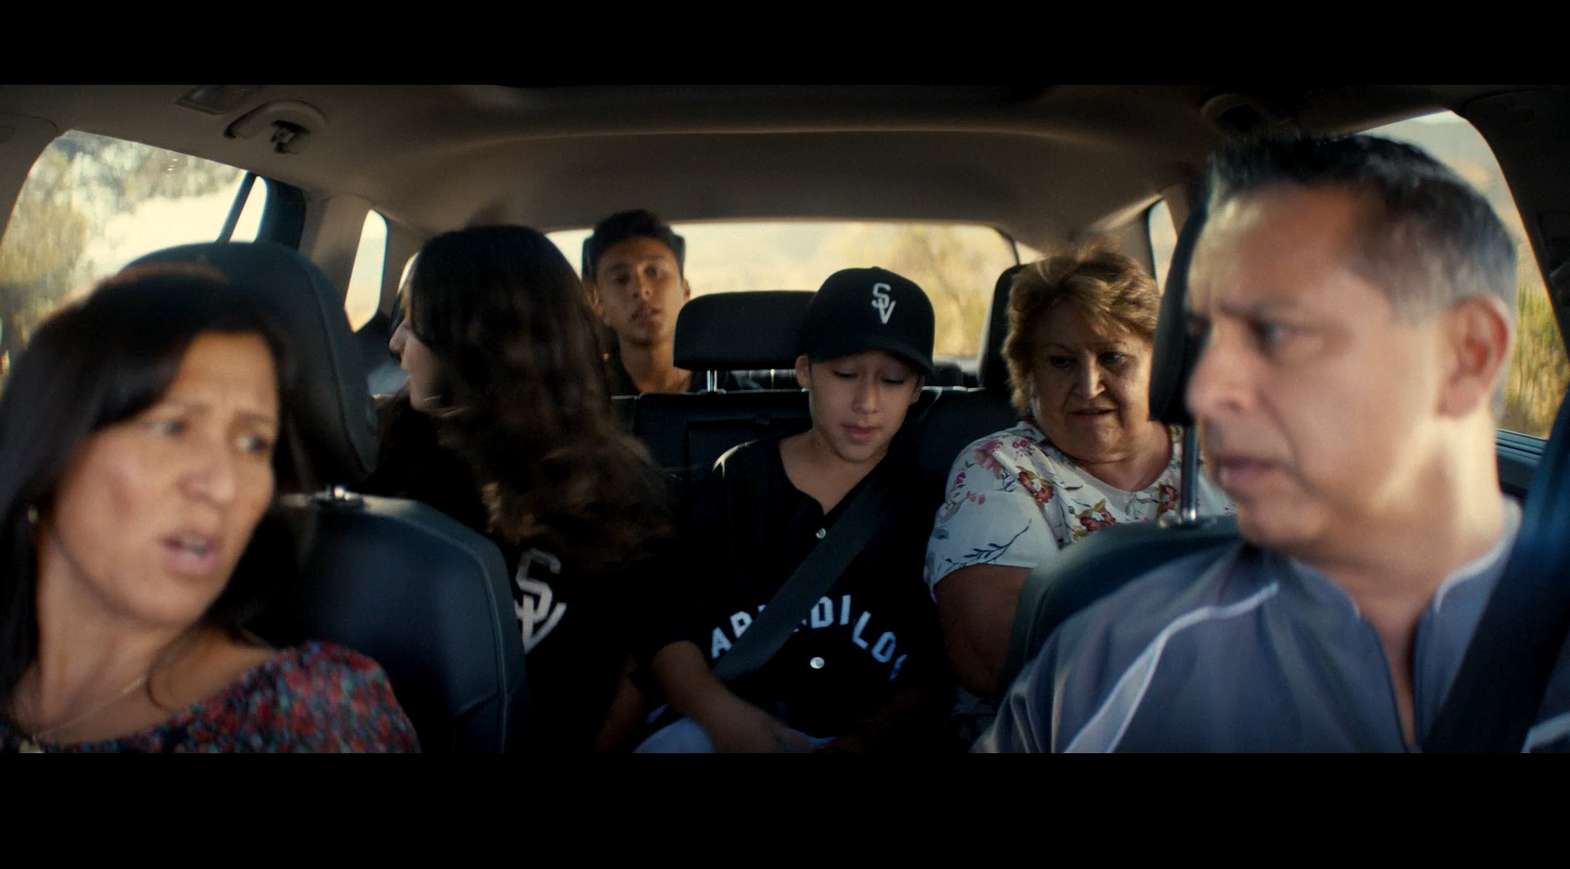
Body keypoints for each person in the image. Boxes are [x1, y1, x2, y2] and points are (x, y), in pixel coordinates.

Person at [978, 133, 1570, 752]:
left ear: (1465, 356)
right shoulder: (1111, 663)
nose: (1204, 391)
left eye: (1276, 331)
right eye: (1204, 338)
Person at [0, 269, 419, 752]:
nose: (224, 485)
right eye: (170, 427)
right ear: (44, 449)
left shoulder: (312, 720)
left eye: (254, 443)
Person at [371, 226, 674, 752]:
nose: (395, 343)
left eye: (415, 326)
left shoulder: (622, 495)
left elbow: (636, 666)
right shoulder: (389, 452)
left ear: (475, 342)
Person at [925, 242, 1233, 746]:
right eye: (1061, 362)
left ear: (1163, 362)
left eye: (1113, 357)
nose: (1089, 385)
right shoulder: (999, 467)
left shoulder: (1229, 455)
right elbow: (996, 655)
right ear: (1030, 373)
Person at [636, 267, 952, 753]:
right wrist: (723, 718)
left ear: (916, 390)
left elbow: (936, 673)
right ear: (804, 370)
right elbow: (667, 626)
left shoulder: (929, 507)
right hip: (720, 725)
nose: (866, 402)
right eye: (844, 374)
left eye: (892, 380)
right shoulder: (736, 480)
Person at [582, 209, 745, 395]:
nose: (641, 289)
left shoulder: (738, 399)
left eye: (654, 272)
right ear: (599, 304)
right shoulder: (585, 402)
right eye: (621, 279)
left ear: (685, 291)